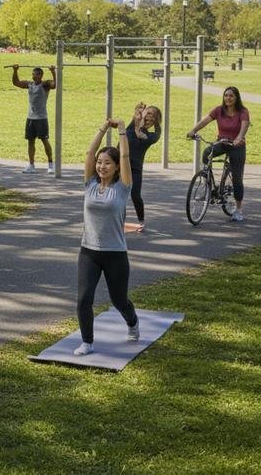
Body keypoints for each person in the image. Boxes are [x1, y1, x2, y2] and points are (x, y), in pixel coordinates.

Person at [73, 117, 138, 356]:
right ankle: (87, 342)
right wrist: (102, 128)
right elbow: (89, 153)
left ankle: (132, 322)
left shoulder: (123, 188)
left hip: (115, 254)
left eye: (107, 163)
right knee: (83, 299)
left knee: (119, 300)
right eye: (100, 163)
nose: (101, 166)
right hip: (89, 252)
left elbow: (125, 156)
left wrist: (121, 130)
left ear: (117, 167)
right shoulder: (89, 184)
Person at [187, 86, 251, 222]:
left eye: (231, 96)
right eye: (226, 95)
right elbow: (205, 120)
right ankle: (207, 181)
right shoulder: (219, 110)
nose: (228, 98)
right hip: (222, 142)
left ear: (236, 98)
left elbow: (244, 126)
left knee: (237, 179)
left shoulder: (243, 112)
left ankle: (238, 210)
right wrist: (193, 130)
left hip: (236, 145)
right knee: (206, 153)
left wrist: (239, 137)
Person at [11, 65, 55, 173]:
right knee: (30, 142)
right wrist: (15, 70)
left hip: (41, 118)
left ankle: (51, 164)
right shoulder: (29, 84)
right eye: (33, 74)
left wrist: (53, 72)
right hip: (31, 118)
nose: (34, 77)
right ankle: (31, 165)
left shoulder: (45, 85)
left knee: (44, 140)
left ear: (40, 75)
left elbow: (54, 85)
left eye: (36, 75)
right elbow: (16, 82)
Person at [127, 102, 162, 231]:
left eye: (152, 115)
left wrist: (140, 125)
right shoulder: (132, 125)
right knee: (114, 192)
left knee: (135, 195)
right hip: (119, 164)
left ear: (155, 121)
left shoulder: (153, 135)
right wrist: (138, 115)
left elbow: (141, 136)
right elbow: (128, 132)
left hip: (135, 167)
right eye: (147, 113)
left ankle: (141, 220)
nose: (148, 116)